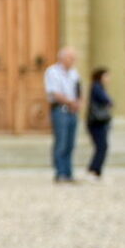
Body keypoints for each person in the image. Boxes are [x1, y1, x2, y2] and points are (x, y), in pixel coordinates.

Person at [44, 46, 82, 184]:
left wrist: (78, 103)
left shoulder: (74, 73)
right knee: (61, 142)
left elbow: (78, 90)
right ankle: (60, 172)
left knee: (70, 143)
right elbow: (54, 92)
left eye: (74, 58)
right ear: (62, 58)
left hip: (72, 111)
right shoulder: (52, 72)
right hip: (60, 110)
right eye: (71, 58)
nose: (73, 61)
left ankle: (68, 172)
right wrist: (71, 102)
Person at [87, 66, 113, 181]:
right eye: (107, 76)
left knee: (102, 146)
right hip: (97, 121)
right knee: (102, 146)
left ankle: (96, 170)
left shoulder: (99, 87)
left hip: (98, 121)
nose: (109, 78)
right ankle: (94, 170)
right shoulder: (97, 87)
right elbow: (107, 101)